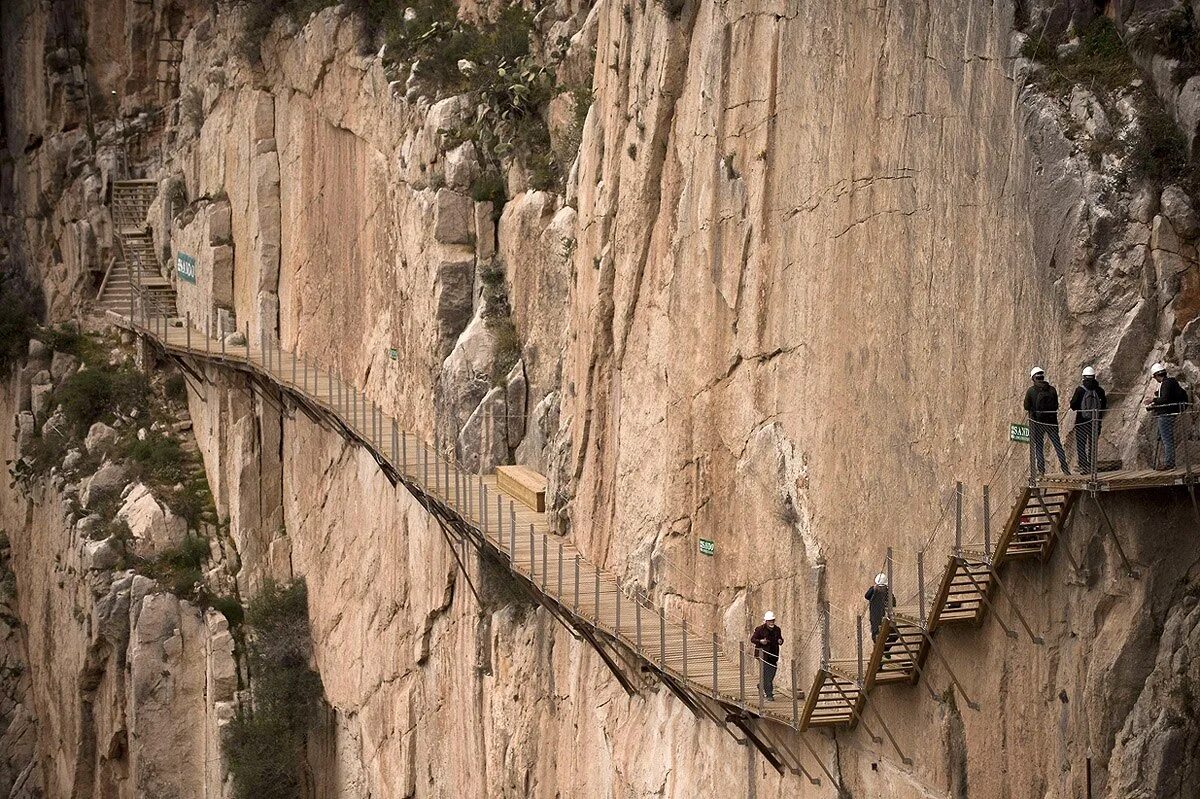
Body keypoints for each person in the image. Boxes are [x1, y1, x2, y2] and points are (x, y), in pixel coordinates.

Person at [1024, 367, 1070, 475]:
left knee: (1039, 447)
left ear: (1033, 378)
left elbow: (1026, 406)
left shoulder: (1031, 391)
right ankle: (1065, 469)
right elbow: (1056, 405)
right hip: (1052, 422)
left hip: (1038, 423)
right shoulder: (1052, 389)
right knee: (1057, 445)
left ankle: (1041, 470)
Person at [1146, 362, 1190, 469]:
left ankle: (1169, 464)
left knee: (1167, 440)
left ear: (1156, 375)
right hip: (1168, 414)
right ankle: (1168, 463)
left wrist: (1153, 400)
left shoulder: (1166, 384)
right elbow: (1167, 399)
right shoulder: (1170, 382)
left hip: (1165, 415)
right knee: (1166, 439)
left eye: (1155, 377)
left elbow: (1165, 399)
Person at [1069, 366, 1107, 473]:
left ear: (1084, 377)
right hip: (1095, 421)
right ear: (1094, 377)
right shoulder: (1100, 390)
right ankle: (1093, 466)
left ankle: (1084, 467)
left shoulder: (1080, 390)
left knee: (1081, 444)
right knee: (1093, 444)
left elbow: (1073, 405)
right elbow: (1103, 406)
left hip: (1081, 421)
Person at [750, 611, 783, 701]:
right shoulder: (760, 629)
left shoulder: (777, 629)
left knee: (772, 673)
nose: (771, 622)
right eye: (769, 621)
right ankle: (769, 694)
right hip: (763, 655)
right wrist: (760, 641)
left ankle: (761, 685)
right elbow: (753, 639)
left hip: (773, 655)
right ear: (766, 621)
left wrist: (780, 641)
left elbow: (780, 638)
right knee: (766, 674)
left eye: (772, 620)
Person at [864, 573, 894, 641]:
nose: (881, 588)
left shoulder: (887, 592)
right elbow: (866, 596)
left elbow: (893, 602)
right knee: (875, 634)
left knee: (892, 634)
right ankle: (879, 648)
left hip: (884, 616)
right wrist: (873, 588)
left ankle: (884, 648)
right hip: (875, 616)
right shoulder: (873, 591)